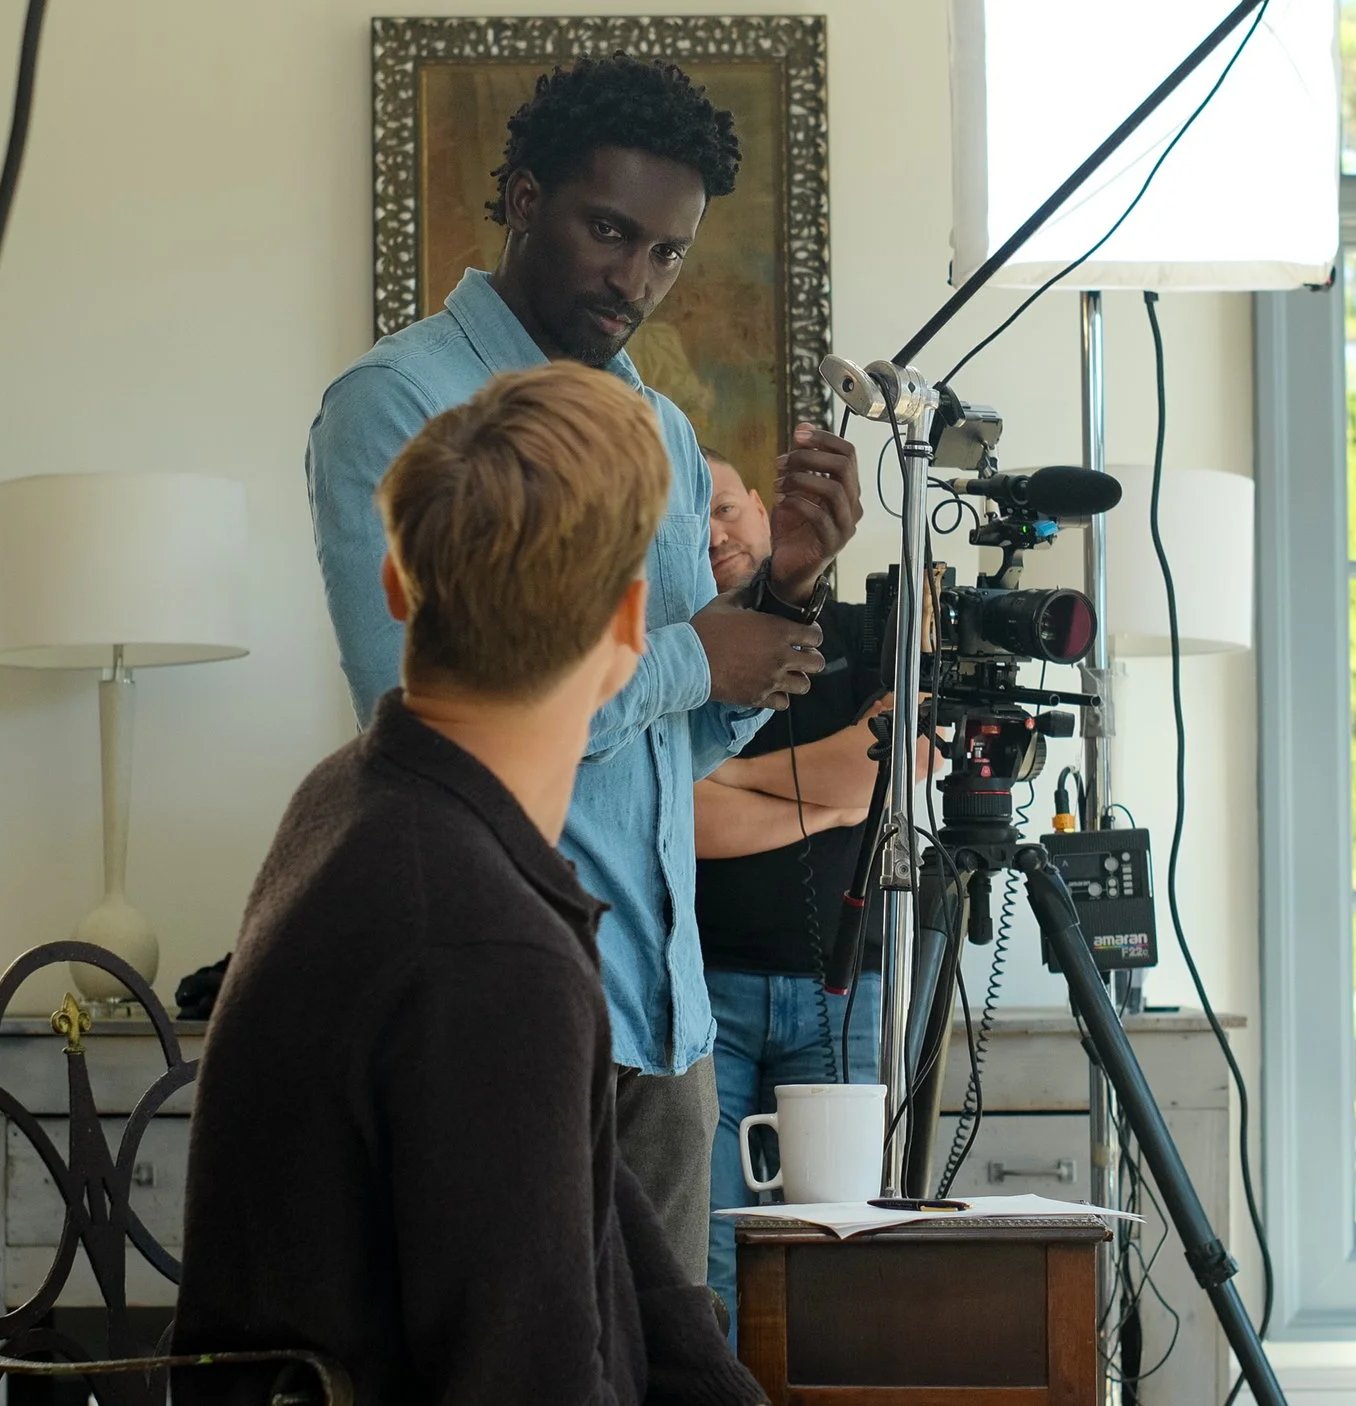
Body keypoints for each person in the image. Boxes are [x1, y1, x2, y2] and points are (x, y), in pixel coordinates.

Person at [306, 53, 863, 1281]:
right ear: (517, 196)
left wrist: (785, 588)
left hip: (670, 1028)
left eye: (667, 253)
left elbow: (677, 737)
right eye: (608, 231)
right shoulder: (395, 407)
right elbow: (427, 718)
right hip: (497, 1011)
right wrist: (687, 655)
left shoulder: (660, 432)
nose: (635, 280)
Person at [176, 363, 764, 1406]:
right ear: (634, 623)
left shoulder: (358, 797)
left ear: (398, 586)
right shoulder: (484, 951)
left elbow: (614, 1233)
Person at [692, 450, 890, 1314]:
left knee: (841, 1251)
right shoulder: (672, 661)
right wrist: (833, 804)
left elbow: (888, 770)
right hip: (701, 988)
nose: (713, 533)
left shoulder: (865, 634)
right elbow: (680, 818)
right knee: (709, 1255)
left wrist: (725, 779)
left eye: (728, 509)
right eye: (689, 520)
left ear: (765, 518)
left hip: (845, 991)